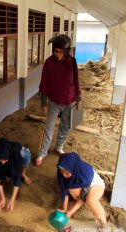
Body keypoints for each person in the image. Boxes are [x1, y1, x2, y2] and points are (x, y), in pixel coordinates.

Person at [34, 34, 82, 166]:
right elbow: (44, 83)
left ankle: (59, 146)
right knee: (49, 127)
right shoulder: (49, 63)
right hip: (54, 102)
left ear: (66, 51)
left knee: (65, 126)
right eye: (56, 51)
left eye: (61, 52)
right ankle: (42, 152)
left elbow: (76, 80)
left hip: (70, 100)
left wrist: (79, 98)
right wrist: (44, 103)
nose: (58, 54)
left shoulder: (72, 62)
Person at [56, 152, 107, 228]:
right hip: (81, 184)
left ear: (73, 169)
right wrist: (65, 208)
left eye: (66, 173)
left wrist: (70, 212)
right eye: (61, 171)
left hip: (95, 184)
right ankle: (83, 202)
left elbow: (83, 198)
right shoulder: (63, 172)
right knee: (71, 189)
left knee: (91, 200)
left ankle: (104, 223)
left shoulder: (84, 177)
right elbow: (65, 190)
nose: (63, 175)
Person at [0, 137, 32, 212]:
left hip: (19, 155)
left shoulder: (16, 156)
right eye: (0, 160)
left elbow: (17, 181)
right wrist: (3, 198)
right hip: (7, 159)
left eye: (4, 160)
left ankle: (23, 174)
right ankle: (8, 174)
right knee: (3, 168)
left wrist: (12, 200)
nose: (2, 162)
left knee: (25, 155)